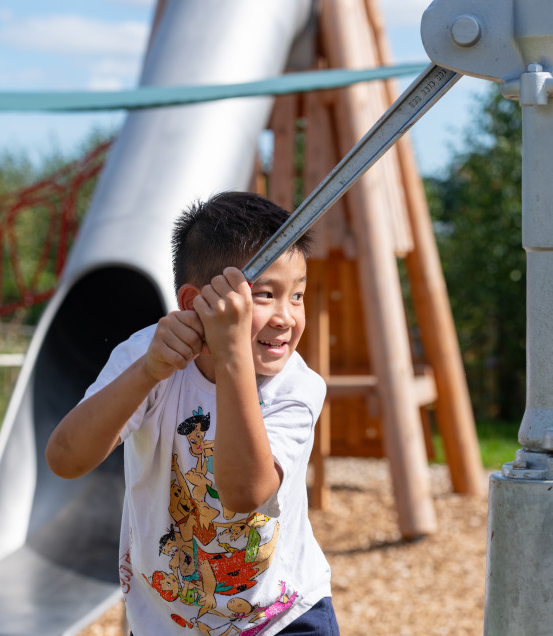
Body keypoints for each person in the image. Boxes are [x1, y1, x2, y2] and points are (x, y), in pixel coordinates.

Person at [46, 191, 339, 636]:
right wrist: (147, 371)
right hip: (166, 623)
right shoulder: (147, 357)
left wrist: (231, 356)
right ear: (194, 302)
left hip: (281, 617)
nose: (286, 317)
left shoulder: (296, 387)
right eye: (265, 294)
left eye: (296, 295)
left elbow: (245, 494)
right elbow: (65, 460)